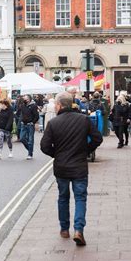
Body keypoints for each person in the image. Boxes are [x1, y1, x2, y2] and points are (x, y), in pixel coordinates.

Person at [40, 92, 103, 246]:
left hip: (61, 167)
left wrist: (57, 154)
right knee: (80, 197)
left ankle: (64, 229)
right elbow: (98, 138)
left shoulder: (53, 123)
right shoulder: (84, 120)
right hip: (79, 165)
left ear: (60, 105)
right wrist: (86, 150)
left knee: (63, 197)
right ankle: (79, 230)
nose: (55, 106)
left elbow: (44, 146)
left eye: (55, 104)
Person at [19, 94, 39, 160]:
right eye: (24, 99)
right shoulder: (22, 106)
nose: (25, 100)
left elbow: (36, 116)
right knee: (22, 138)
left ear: (29, 99)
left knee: (30, 140)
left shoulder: (33, 106)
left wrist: (32, 122)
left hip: (30, 125)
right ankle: (30, 150)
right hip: (23, 125)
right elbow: (20, 114)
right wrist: (21, 120)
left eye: (26, 99)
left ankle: (30, 154)